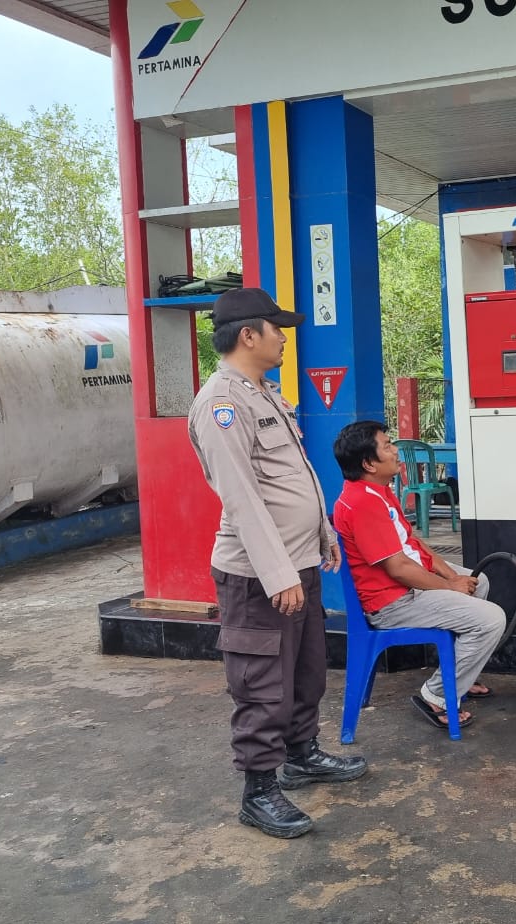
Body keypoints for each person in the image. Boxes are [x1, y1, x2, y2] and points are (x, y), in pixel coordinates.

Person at [188, 286, 367, 840]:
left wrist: (322, 536)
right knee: (263, 683)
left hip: (298, 563)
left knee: (306, 671)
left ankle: (302, 755)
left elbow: (295, 478)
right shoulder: (221, 404)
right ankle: (259, 790)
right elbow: (241, 497)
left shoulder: (265, 394)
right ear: (249, 335)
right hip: (258, 577)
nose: (285, 338)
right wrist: (278, 574)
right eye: (278, 328)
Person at [332, 421, 505, 732]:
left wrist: (451, 576)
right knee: (492, 619)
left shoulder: (379, 491)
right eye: (387, 446)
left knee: (478, 582)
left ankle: (459, 677)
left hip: (406, 586)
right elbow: (398, 568)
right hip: (392, 602)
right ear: (369, 463)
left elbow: (413, 544)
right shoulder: (362, 503)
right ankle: (436, 695)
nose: (395, 451)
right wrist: (449, 586)